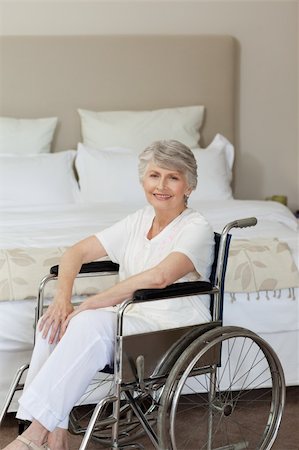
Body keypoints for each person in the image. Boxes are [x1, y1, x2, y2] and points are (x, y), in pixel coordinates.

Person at [4, 140, 214, 450]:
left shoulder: (197, 228)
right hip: (132, 318)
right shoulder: (139, 220)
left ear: (189, 186)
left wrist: (91, 303)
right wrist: (63, 299)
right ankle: (57, 434)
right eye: (155, 175)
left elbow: (160, 277)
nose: (162, 185)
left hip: (174, 327)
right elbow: (76, 252)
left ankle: (35, 435)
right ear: (144, 180)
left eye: (173, 177)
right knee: (53, 324)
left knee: (88, 321)